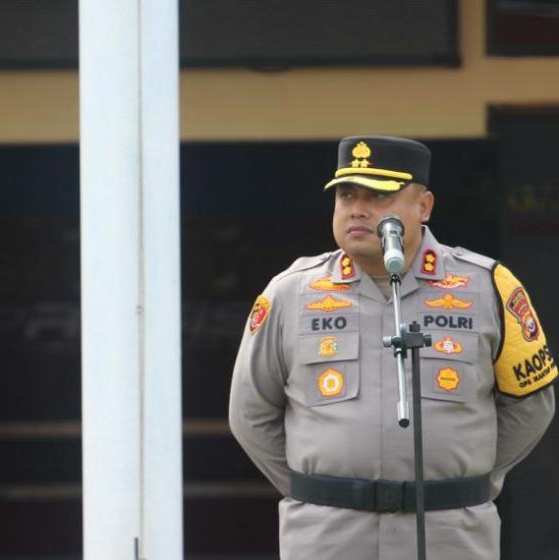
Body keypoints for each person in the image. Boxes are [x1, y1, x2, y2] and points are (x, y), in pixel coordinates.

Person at [229, 136, 556, 560]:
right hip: (328, 534)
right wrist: (318, 492)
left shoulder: (487, 286)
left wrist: (466, 481)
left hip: (449, 532)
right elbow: (250, 412)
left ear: (424, 206)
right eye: (347, 195)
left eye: (379, 195)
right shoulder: (291, 293)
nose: (358, 209)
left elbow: (531, 404)